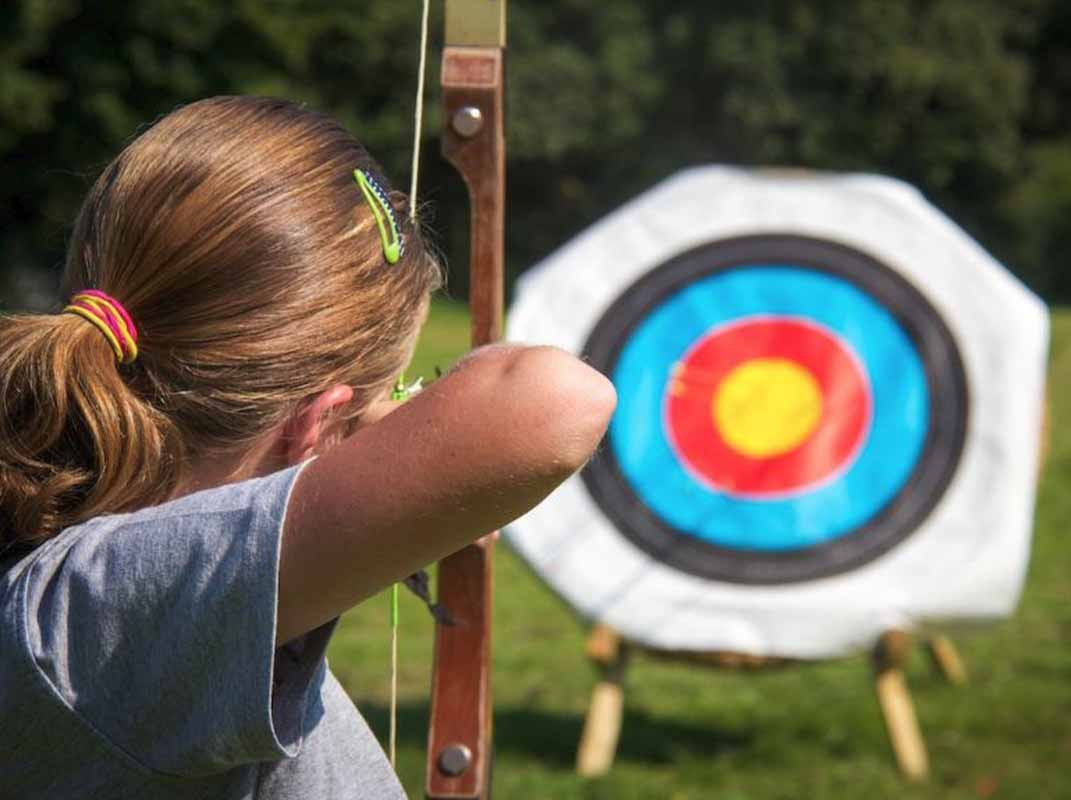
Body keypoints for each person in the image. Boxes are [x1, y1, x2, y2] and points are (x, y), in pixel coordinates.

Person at [0, 96, 616, 799]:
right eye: (398, 388)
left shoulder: (73, 592)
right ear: (320, 420)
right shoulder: (110, 617)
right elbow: (556, 400)